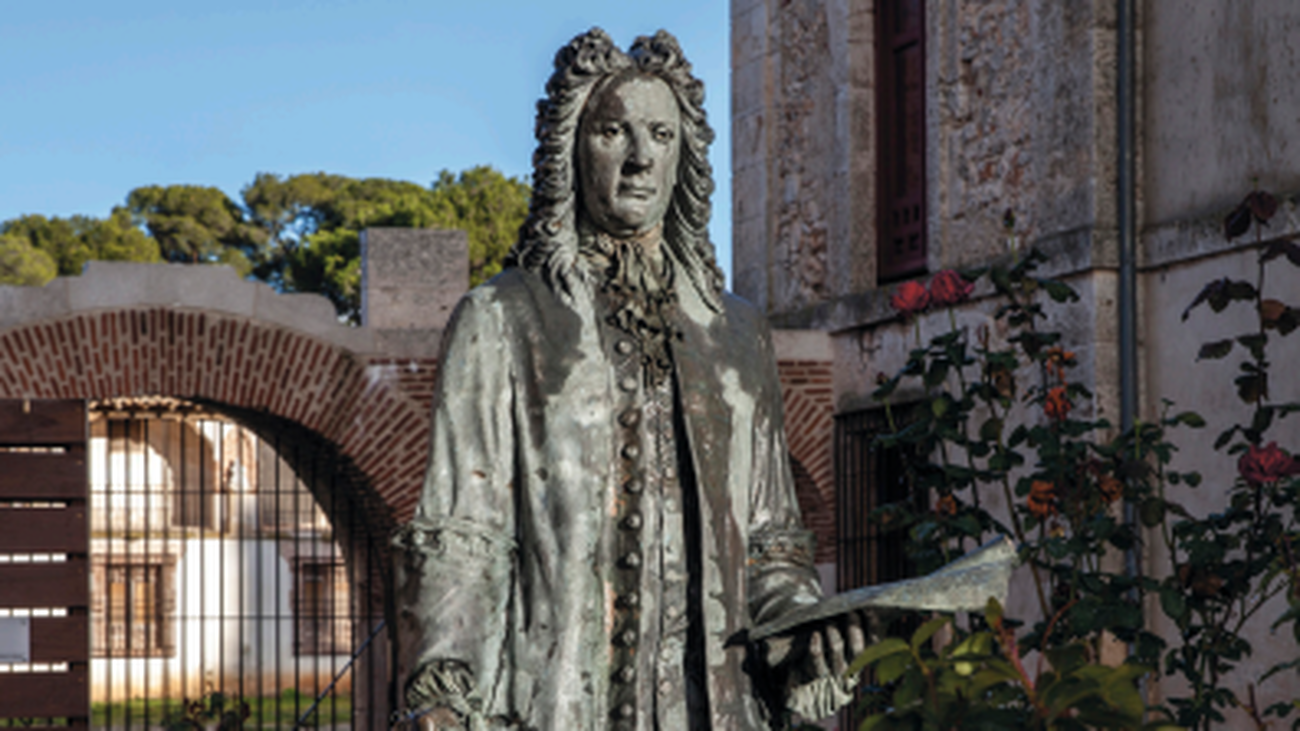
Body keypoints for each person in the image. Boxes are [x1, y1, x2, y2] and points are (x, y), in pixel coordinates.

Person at [392, 28, 861, 730]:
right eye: (614, 132)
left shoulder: (738, 334)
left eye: (661, 136)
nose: (641, 158)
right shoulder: (500, 320)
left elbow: (771, 544)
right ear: (572, 150)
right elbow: (465, 536)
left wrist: (803, 627)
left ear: (683, 156)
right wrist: (443, 691)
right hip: (553, 706)